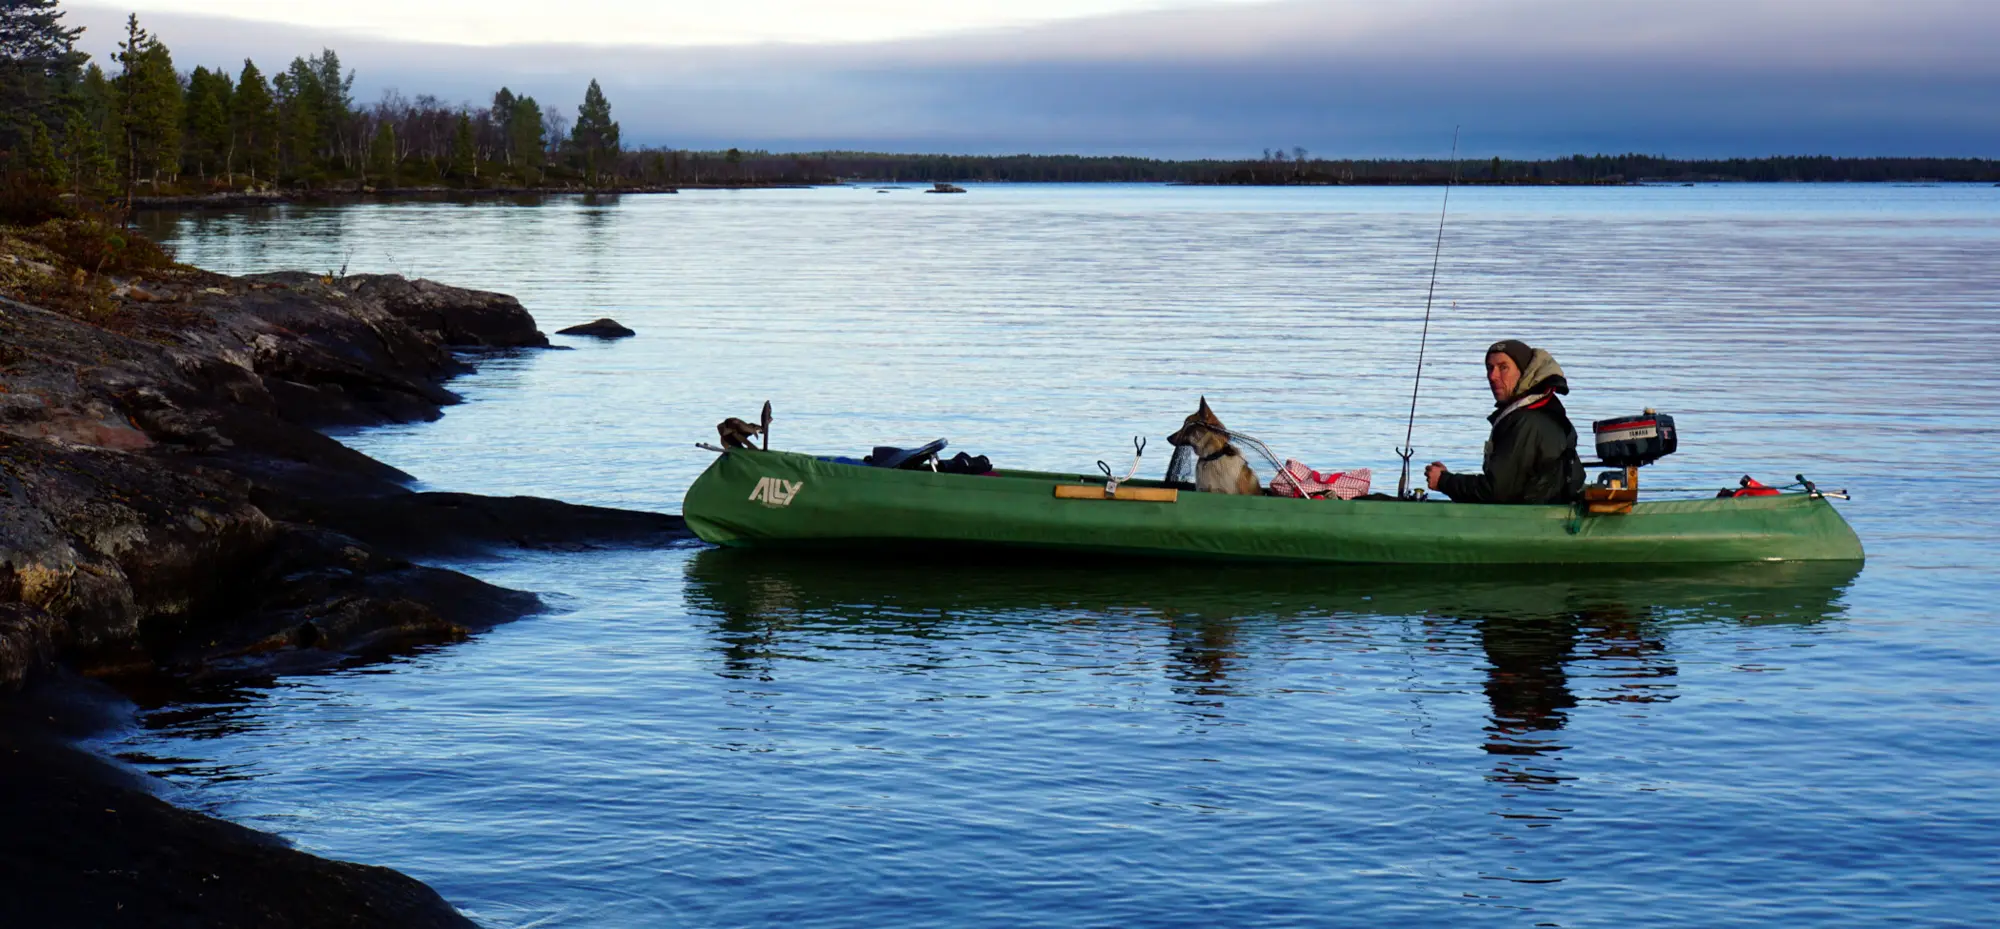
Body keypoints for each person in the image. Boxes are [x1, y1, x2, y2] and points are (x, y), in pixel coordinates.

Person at [1424, 339, 1585, 504]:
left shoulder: (1528, 422)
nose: (1493, 376)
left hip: (1531, 521)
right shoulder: (1539, 412)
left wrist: (1444, 481)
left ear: (1524, 372)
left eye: (1503, 368)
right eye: (1489, 368)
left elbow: (1496, 491)